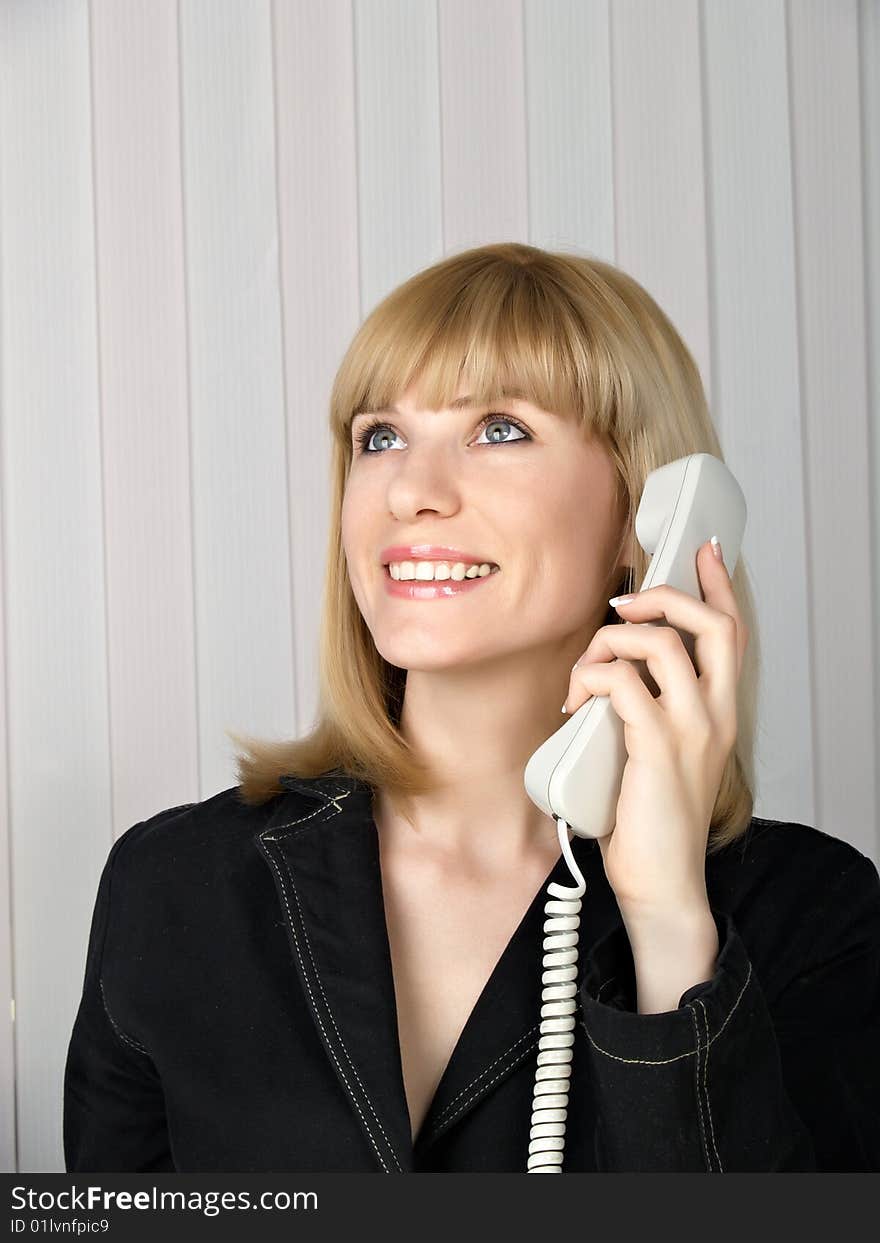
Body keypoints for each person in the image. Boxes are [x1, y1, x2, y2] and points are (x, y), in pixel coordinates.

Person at [64, 242, 880, 1173]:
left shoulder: (813, 918)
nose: (411, 491)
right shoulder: (174, 887)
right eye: (380, 437)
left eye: (499, 428)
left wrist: (667, 931)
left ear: (646, 514)